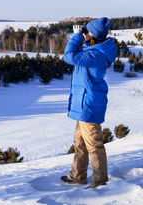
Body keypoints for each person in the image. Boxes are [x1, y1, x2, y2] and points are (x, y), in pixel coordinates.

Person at [61, 17, 117, 188]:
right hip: (84, 103)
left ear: (95, 36)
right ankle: (78, 176)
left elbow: (69, 56)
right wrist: (82, 37)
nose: (84, 35)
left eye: (87, 32)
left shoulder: (96, 55)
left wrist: (76, 36)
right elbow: (77, 54)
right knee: (80, 143)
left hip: (89, 104)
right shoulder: (93, 49)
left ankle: (100, 182)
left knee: (94, 145)